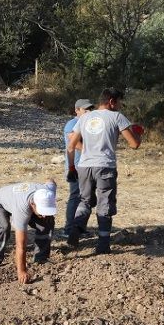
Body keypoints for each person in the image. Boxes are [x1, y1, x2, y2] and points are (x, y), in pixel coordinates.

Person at [66, 87, 143, 254]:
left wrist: (88, 150)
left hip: (85, 166)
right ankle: (102, 245)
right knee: (104, 203)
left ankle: (75, 228)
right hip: (105, 166)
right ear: (111, 102)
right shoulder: (117, 116)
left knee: (85, 201)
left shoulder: (85, 117)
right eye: (120, 102)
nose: (121, 106)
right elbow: (134, 144)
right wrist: (139, 133)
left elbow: (71, 144)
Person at [0, 180, 57, 284]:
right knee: (3, 227)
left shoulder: (49, 193)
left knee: (48, 221)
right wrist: (21, 271)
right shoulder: (22, 208)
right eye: (42, 211)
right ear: (33, 204)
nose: (44, 214)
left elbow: (51, 181)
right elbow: (20, 245)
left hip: (14, 199)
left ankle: (41, 258)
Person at [59, 99, 95, 238]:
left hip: (88, 166)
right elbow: (74, 144)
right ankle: (69, 229)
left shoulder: (89, 124)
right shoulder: (72, 124)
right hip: (76, 167)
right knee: (76, 197)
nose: (88, 112)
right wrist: (94, 151)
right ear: (77, 110)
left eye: (90, 109)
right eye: (85, 110)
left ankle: (80, 227)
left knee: (87, 198)